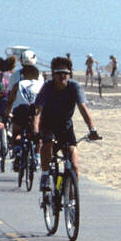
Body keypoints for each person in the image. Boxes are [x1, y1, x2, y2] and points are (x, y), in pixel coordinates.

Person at [33, 56, 101, 191]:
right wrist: (35, 130)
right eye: (58, 73)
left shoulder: (74, 87)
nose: (62, 76)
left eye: (65, 73)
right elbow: (37, 111)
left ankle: (71, 198)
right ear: (53, 75)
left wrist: (92, 129)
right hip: (48, 123)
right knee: (48, 142)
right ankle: (45, 175)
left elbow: (83, 108)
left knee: (74, 164)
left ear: (70, 74)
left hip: (65, 126)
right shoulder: (47, 87)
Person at [6, 61, 44, 166]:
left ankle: (17, 151)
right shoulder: (41, 85)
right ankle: (37, 156)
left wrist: (7, 113)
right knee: (37, 135)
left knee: (17, 132)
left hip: (21, 110)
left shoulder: (19, 84)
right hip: (35, 112)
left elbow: (10, 100)